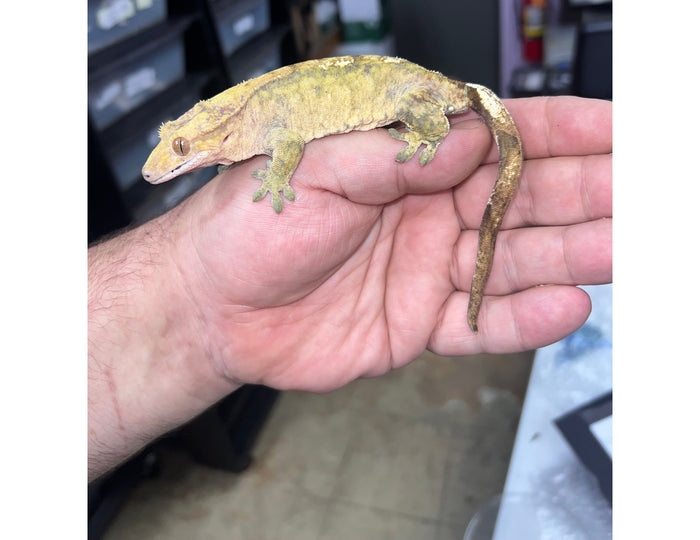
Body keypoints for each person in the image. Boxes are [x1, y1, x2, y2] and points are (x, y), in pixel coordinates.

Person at [88, 95, 611, 481]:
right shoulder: (245, 129)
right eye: (171, 141)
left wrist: (429, 136)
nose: (163, 159)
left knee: (448, 138)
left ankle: (431, 131)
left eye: (178, 145)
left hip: (422, 95)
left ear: (214, 130)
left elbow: (289, 143)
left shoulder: (259, 130)